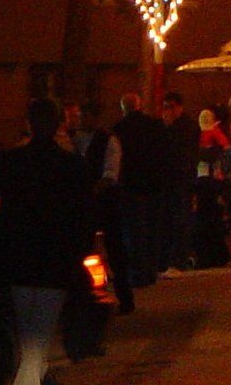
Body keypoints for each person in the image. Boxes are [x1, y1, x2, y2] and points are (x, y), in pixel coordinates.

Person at [0, 98, 94, 385]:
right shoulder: (72, 165)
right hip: (56, 261)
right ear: (58, 125)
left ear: (28, 124)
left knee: (29, 337)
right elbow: (87, 213)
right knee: (39, 339)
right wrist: (77, 248)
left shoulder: (10, 161)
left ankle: (32, 377)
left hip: (18, 257)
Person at [110, 93, 170, 289]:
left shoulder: (119, 129)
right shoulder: (155, 126)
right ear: (139, 105)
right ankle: (151, 270)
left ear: (123, 108)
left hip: (130, 186)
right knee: (152, 229)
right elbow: (164, 153)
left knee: (134, 232)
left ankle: (137, 273)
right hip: (154, 185)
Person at [80, 103, 133, 310]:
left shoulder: (108, 141)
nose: (82, 121)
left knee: (115, 250)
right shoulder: (76, 139)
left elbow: (111, 174)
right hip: (87, 203)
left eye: (85, 116)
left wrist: (91, 189)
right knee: (82, 249)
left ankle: (125, 298)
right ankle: (85, 296)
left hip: (106, 203)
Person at [160, 92, 201, 275]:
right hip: (170, 180)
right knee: (170, 220)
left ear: (179, 107)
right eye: (165, 107)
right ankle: (170, 259)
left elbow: (181, 153)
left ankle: (178, 260)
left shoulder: (188, 127)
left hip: (182, 180)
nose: (167, 111)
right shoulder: (170, 126)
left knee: (180, 220)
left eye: (170, 107)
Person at [191, 109, 231, 270]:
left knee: (205, 220)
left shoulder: (201, 138)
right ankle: (219, 254)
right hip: (214, 183)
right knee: (213, 219)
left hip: (205, 183)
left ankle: (208, 256)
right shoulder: (219, 136)